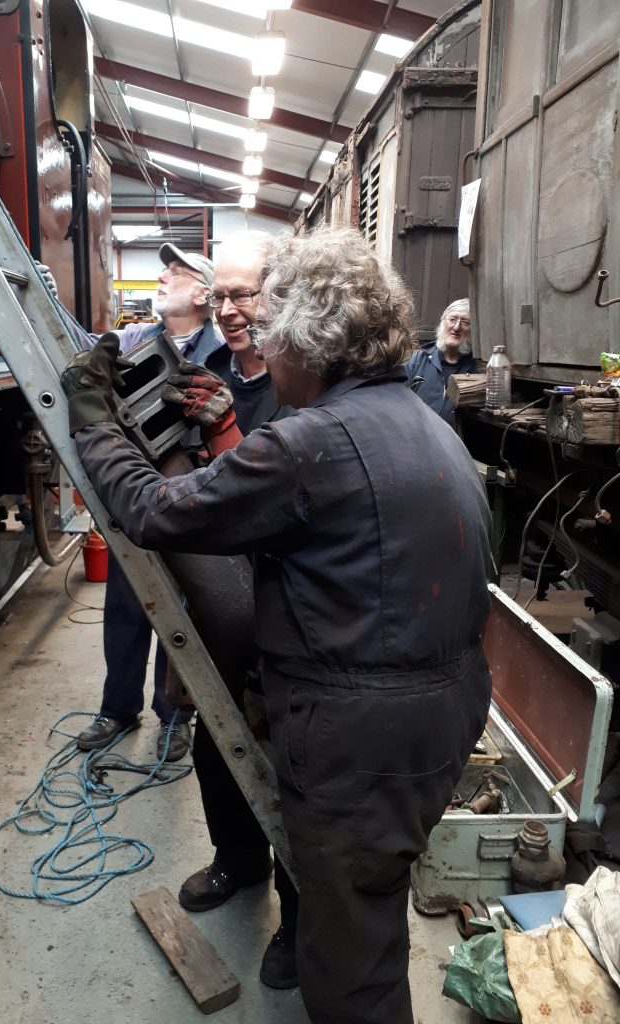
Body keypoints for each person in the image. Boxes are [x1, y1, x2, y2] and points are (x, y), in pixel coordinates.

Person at [62, 226, 493, 1024]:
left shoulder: (313, 442)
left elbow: (157, 513)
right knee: (367, 905)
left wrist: (93, 424)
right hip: (439, 713)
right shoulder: (422, 420)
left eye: (267, 334)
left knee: (349, 964)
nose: (258, 345)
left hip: (363, 738)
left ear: (304, 344)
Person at [167, 231, 298, 990]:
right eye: (219, 295)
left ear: (277, 296)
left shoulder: (299, 379)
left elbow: (279, 494)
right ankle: (238, 863)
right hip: (219, 593)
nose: (230, 309)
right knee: (215, 742)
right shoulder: (205, 371)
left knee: (288, 762)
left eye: (244, 294)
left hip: (286, 600)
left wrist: (225, 433)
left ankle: (297, 917)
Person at [71, 244, 223, 761]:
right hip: (132, 496)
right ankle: (117, 708)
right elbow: (80, 351)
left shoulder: (221, 353)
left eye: (177, 272)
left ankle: (175, 714)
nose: (163, 276)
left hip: (189, 503)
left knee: (181, 609)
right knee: (125, 606)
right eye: (164, 269)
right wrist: (46, 293)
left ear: (206, 293)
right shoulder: (135, 339)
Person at [404, 298, 476, 425]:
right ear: (442, 323)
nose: (457, 327)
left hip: (454, 443)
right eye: (452, 319)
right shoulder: (418, 360)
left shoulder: (475, 368)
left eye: (465, 322)